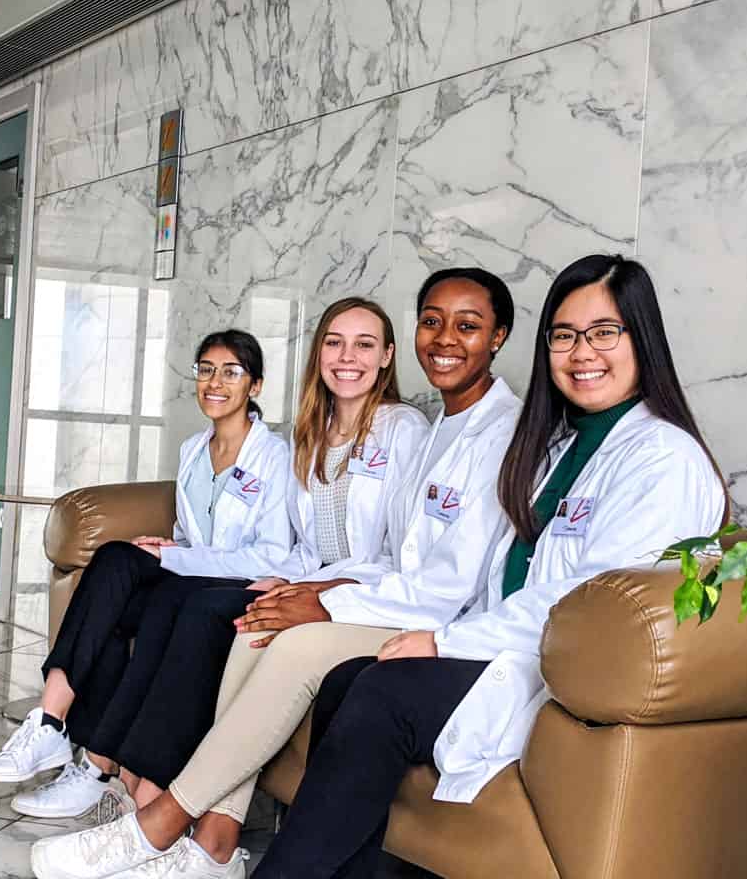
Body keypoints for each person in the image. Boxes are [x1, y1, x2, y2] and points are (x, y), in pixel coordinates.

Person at [29, 270, 523, 879]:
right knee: (223, 616)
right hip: (363, 590)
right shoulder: (354, 434)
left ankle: (161, 817)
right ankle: (205, 829)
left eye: (365, 344)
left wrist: (320, 596)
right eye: (433, 321)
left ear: (497, 335)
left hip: (414, 610)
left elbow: (417, 571)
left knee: (243, 623)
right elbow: (307, 547)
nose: (445, 338)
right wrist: (296, 584)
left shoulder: (419, 430)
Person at [253, 254, 729, 877]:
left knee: (381, 696)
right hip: (506, 643)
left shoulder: (663, 458)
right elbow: (500, 574)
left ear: (642, 338)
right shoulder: (557, 445)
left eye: (604, 332)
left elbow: (586, 605)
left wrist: (443, 640)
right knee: (348, 679)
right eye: (564, 335)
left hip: (562, 668)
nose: (583, 352)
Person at [6, 300, 430, 834]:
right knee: (139, 585)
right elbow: (303, 542)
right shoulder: (312, 432)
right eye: (334, 342)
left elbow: (399, 554)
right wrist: (289, 575)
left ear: (387, 356)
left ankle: (138, 787)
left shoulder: (403, 431)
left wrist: (310, 582)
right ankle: (86, 753)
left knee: (200, 607)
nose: (348, 357)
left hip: (356, 593)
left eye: (364, 344)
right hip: (299, 578)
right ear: (318, 352)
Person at [0, 330, 292, 822]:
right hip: (193, 573)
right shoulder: (193, 449)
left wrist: (181, 560)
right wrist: (175, 549)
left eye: (231, 372)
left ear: (255, 386)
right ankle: (49, 723)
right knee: (115, 563)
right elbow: (195, 535)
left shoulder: (276, 457)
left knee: (139, 597)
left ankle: (94, 767)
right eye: (205, 369)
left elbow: (269, 555)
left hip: (231, 588)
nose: (214, 382)